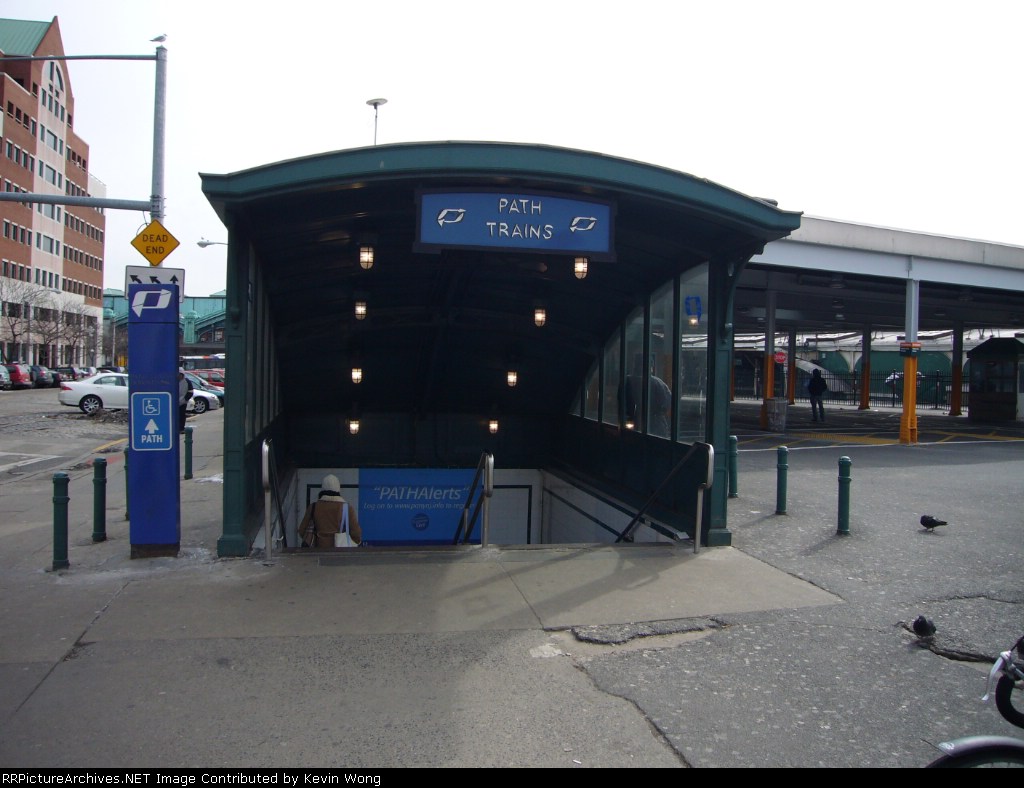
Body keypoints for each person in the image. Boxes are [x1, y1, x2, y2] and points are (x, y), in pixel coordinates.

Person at [297, 474, 362, 548]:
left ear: (322, 489)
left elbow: (302, 530)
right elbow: (356, 534)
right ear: (338, 489)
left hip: (317, 550)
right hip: (339, 552)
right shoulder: (347, 508)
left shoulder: (313, 507)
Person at [177, 368, 193, 434]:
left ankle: (181, 428)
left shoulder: (187, 382)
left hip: (183, 402)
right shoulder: (173, 381)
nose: (179, 376)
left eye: (180, 374)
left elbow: (190, 392)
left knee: (182, 415)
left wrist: (185, 400)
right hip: (173, 402)